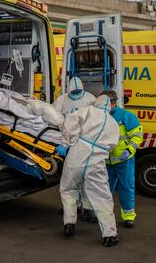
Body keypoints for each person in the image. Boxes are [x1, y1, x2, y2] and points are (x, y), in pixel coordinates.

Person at [55, 94, 120, 247]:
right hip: (97, 162)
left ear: (96, 102)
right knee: (102, 197)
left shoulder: (88, 111)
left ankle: (69, 224)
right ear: (110, 106)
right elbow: (113, 146)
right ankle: (110, 235)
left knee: (67, 189)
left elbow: (70, 122)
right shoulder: (113, 123)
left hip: (77, 155)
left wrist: (65, 143)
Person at [53, 76, 97, 223]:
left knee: (86, 179)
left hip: (84, 143)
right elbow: (55, 115)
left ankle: (87, 208)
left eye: (78, 91)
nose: (76, 94)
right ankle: (72, 206)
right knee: (70, 179)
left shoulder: (90, 99)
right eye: (74, 92)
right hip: (68, 142)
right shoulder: (62, 99)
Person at [103, 90, 143, 228]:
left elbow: (137, 136)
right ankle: (103, 215)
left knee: (126, 187)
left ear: (114, 102)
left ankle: (128, 216)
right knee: (104, 190)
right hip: (106, 161)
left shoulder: (127, 116)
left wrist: (128, 150)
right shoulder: (102, 117)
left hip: (123, 160)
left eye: (108, 103)